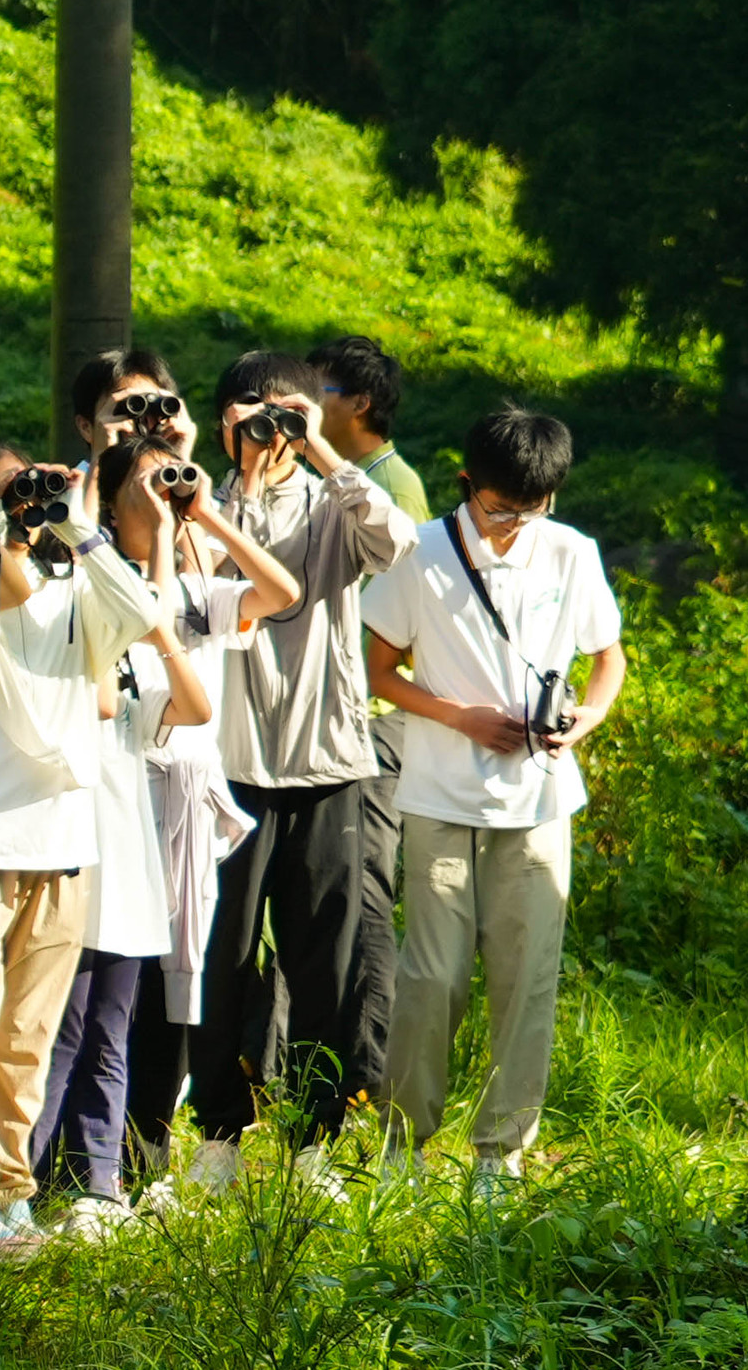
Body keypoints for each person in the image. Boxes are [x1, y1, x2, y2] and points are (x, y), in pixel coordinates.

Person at [363, 407, 626, 1184]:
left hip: (540, 799)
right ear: (466, 483)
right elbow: (378, 669)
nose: (513, 523)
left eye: (530, 508)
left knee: (526, 978)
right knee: (431, 976)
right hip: (440, 795)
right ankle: (401, 1148)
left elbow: (607, 658)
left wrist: (585, 720)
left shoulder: (572, 552)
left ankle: (501, 1153)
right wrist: (461, 717)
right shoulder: (423, 553)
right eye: (499, 507)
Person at [0, 441, 166, 1254]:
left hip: (64, 840)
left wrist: (83, 526)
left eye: (28, 487)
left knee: (26, 1034)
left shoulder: (75, 592)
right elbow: (3, 618)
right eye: (2, 493)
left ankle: (11, 1191)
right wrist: (7, 540)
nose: (21, 502)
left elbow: (144, 612)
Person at [37, 442, 287, 1216]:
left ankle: (137, 1148)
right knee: (99, 999)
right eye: (144, 484)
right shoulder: (85, 578)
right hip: (111, 798)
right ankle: (67, 1165)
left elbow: (280, 592)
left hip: (177, 806)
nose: (161, 494)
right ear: (108, 501)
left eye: (170, 475)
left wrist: (204, 510)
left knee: (176, 982)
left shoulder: (190, 588)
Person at [189, 351, 413, 1190]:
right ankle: (219, 1133)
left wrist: (323, 451)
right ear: (222, 422)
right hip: (235, 760)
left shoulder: (335, 498)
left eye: (277, 413)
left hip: (326, 758)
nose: (265, 432)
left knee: (326, 958)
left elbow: (393, 540)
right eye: (247, 415)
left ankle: (313, 1138)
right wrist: (229, 493)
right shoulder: (203, 504)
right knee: (225, 954)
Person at [315, 335, 428, 525]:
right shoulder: (324, 472)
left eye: (314, 390)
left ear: (360, 404)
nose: (303, 402)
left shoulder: (394, 488)